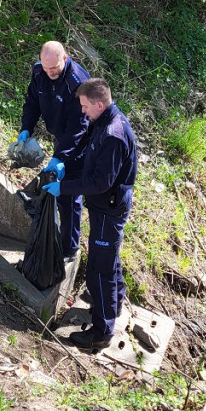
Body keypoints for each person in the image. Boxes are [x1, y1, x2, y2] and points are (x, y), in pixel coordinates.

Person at [43, 78, 137, 349]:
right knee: (109, 259)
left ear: (99, 104)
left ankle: (101, 333)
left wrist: (65, 188)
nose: (83, 112)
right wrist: (64, 162)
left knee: (99, 269)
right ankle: (114, 303)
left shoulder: (113, 135)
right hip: (105, 206)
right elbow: (88, 153)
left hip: (108, 209)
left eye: (85, 107)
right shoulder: (105, 122)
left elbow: (101, 182)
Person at [14, 41, 91, 261]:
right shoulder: (40, 72)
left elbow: (79, 127)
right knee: (57, 192)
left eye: (54, 68)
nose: (50, 72)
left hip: (80, 142)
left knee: (69, 194)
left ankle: (69, 249)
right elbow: (32, 102)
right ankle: (57, 238)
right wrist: (26, 128)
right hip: (60, 136)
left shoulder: (78, 83)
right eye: (47, 68)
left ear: (64, 58)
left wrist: (59, 158)